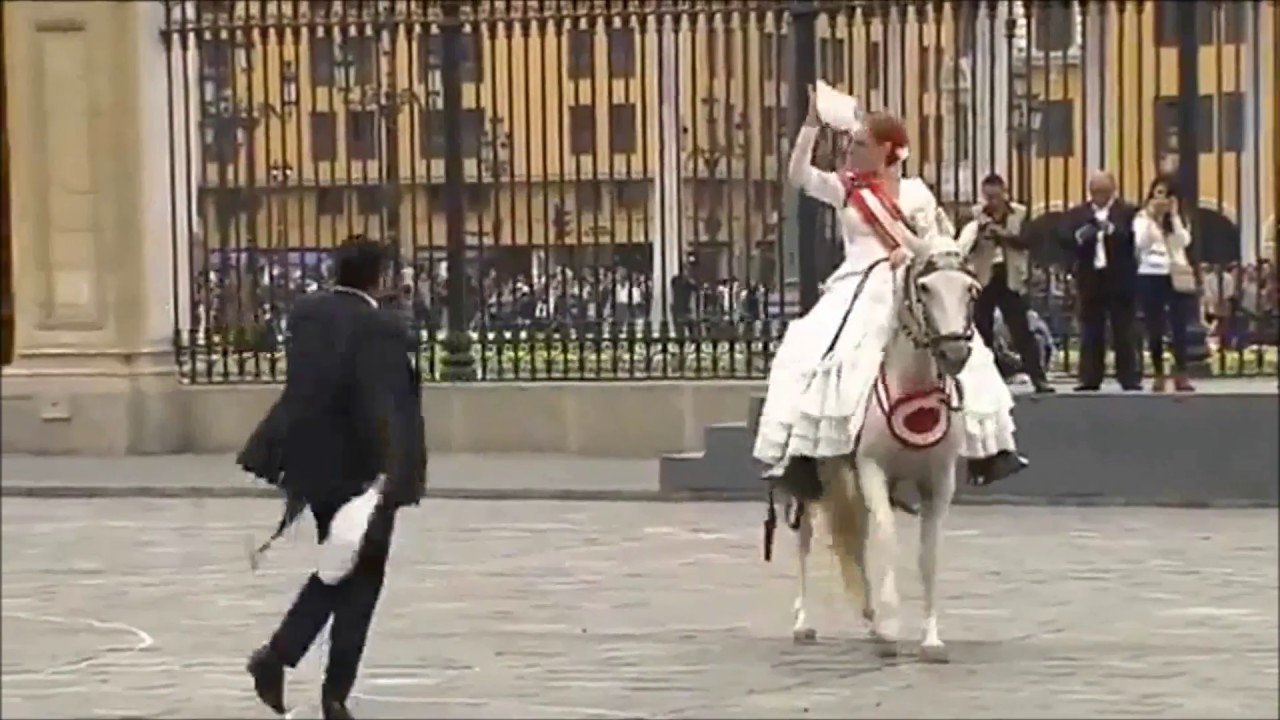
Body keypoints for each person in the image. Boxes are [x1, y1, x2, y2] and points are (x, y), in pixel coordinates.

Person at [753, 87, 1027, 503]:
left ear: (889, 150)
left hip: (909, 282)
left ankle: (988, 449)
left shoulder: (917, 193)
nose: (851, 150)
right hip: (856, 285)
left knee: (966, 348)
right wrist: (811, 124)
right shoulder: (847, 189)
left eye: (861, 144)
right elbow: (798, 176)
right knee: (814, 351)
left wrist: (933, 252)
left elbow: (936, 243)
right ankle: (805, 455)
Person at [241, 236, 427, 720]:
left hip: (311, 467)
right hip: (364, 473)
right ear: (380, 277)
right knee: (361, 579)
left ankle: (286, 662)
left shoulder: (306, 315)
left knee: (342, 566)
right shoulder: (379, 328)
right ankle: (317, 683)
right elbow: (382, 404)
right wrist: (393, 471)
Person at [958, 173, 1055, 393]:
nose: (991, 202)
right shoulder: (974, 217)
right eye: (987, 197)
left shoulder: (1020, 214)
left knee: (1021, 329)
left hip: (1010, 277)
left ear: (1004, 194)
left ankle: (1038, 378)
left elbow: (1028, 241)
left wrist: (1002, 234)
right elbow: (963, 245)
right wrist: (980, 230)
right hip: (984, 277)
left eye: (995, 196)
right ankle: (983, 379)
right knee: (982, 331)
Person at [1062, 171, 1141, 391]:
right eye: (1095, 192)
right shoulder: (1079, 213)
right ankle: (1090, 377)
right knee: (1091, 329)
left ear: (1113, 190)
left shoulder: (1128, 212)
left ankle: (1128, 376)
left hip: (1119, 277)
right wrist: (1081, 235)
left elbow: (1135, 239)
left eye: (1103, 191)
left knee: (1123, 328)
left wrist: (1112, 230)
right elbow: (1065, 238)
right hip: (1091, 277)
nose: (1099, 196)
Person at [1132, 175, 1196, 392]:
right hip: (1150, 273)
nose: (1162, 199)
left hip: (1175, 273)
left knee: (1179, 325)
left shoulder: (1179, 219)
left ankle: (1182, 372)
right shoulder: (1142, 218)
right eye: (1158, 193)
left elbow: (1183, 242)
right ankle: (1159, 372)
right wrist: (1152, 218)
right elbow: (1141, 243)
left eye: (1168, 195)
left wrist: (1174, 216)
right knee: (1155, 325)